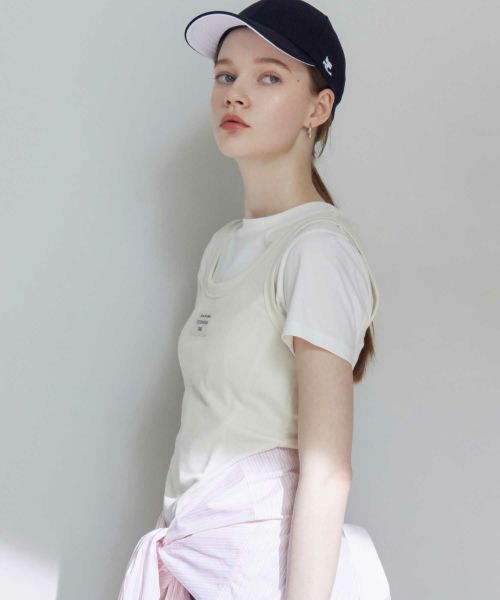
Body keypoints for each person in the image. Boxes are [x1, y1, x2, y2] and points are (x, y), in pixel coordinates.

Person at [118, 1, 391, 598]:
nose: (235, 94)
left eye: (269, 77)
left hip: (258, 572)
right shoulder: (224, 246)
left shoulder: (316, 250)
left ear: (318, 109)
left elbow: (327, 474)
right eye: (226, 74)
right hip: (195, 563)